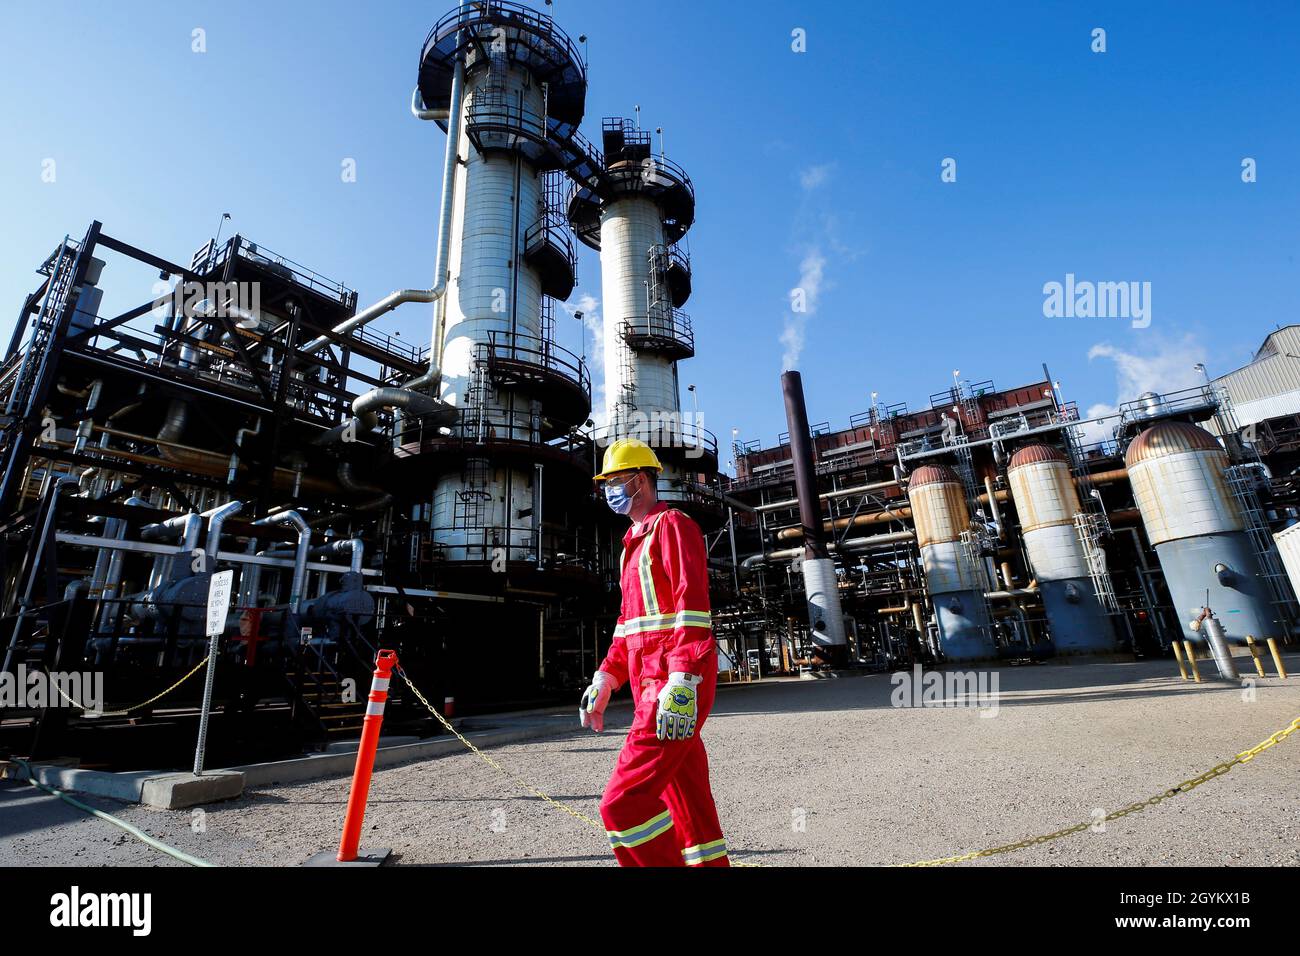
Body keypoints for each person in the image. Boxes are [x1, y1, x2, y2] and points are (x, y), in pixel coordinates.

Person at [578, 437, 729, 867]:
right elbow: (629, 630)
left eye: (615, 480)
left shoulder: (674, 526)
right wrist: (605, 680)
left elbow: (692, 610)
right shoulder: (632, 544)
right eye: (606, 482)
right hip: (653, 689)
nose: (609, 490)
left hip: (675, 687)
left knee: (621, 805)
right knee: (691, 812)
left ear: (640, 480)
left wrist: (682, 681)